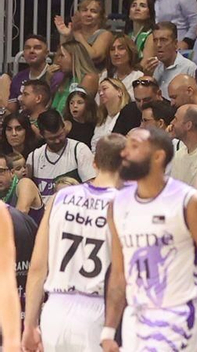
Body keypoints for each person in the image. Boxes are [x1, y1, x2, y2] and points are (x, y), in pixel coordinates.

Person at [101, 127, 197, 352]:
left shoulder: (189, 202)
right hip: (134, 319)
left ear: (158, 156)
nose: (124, 152)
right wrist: (109, 331)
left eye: (134, 146)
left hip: (178, 317)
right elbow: (119, 273)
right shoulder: (117, 204)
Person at [23, 133, 121, 352]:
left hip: (55, 310)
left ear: (94, 163)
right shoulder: (123, 205)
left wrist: (30, 324)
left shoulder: (60, 198)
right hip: (98, 311)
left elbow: (38, 267)